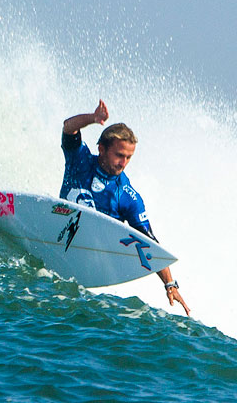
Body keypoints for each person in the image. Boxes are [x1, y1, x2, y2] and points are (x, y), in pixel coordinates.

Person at [60, 100, 189, 315]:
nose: (123, 163)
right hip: (64, 230)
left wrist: (170, 284)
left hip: (92, 253)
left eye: (129, 157)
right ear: (101, 148)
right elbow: (68, 128)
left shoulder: (128, 196)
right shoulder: (79, 160)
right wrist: (93, 119)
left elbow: (149, 242)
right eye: (119, 155)